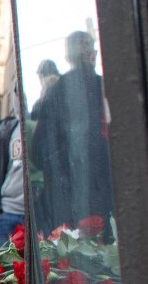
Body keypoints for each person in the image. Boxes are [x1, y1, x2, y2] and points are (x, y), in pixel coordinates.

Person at [30, 31, 111, 235]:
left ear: (67, 57)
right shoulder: (104, 88)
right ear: (92, 54)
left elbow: (39, 151)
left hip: (64, 200)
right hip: (103, 195)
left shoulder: (55, 92)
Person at [0, 106, 27, 245]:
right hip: (7, 213)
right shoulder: (7, 131)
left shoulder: (46, 127)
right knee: (10, 266)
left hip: (39, 217)